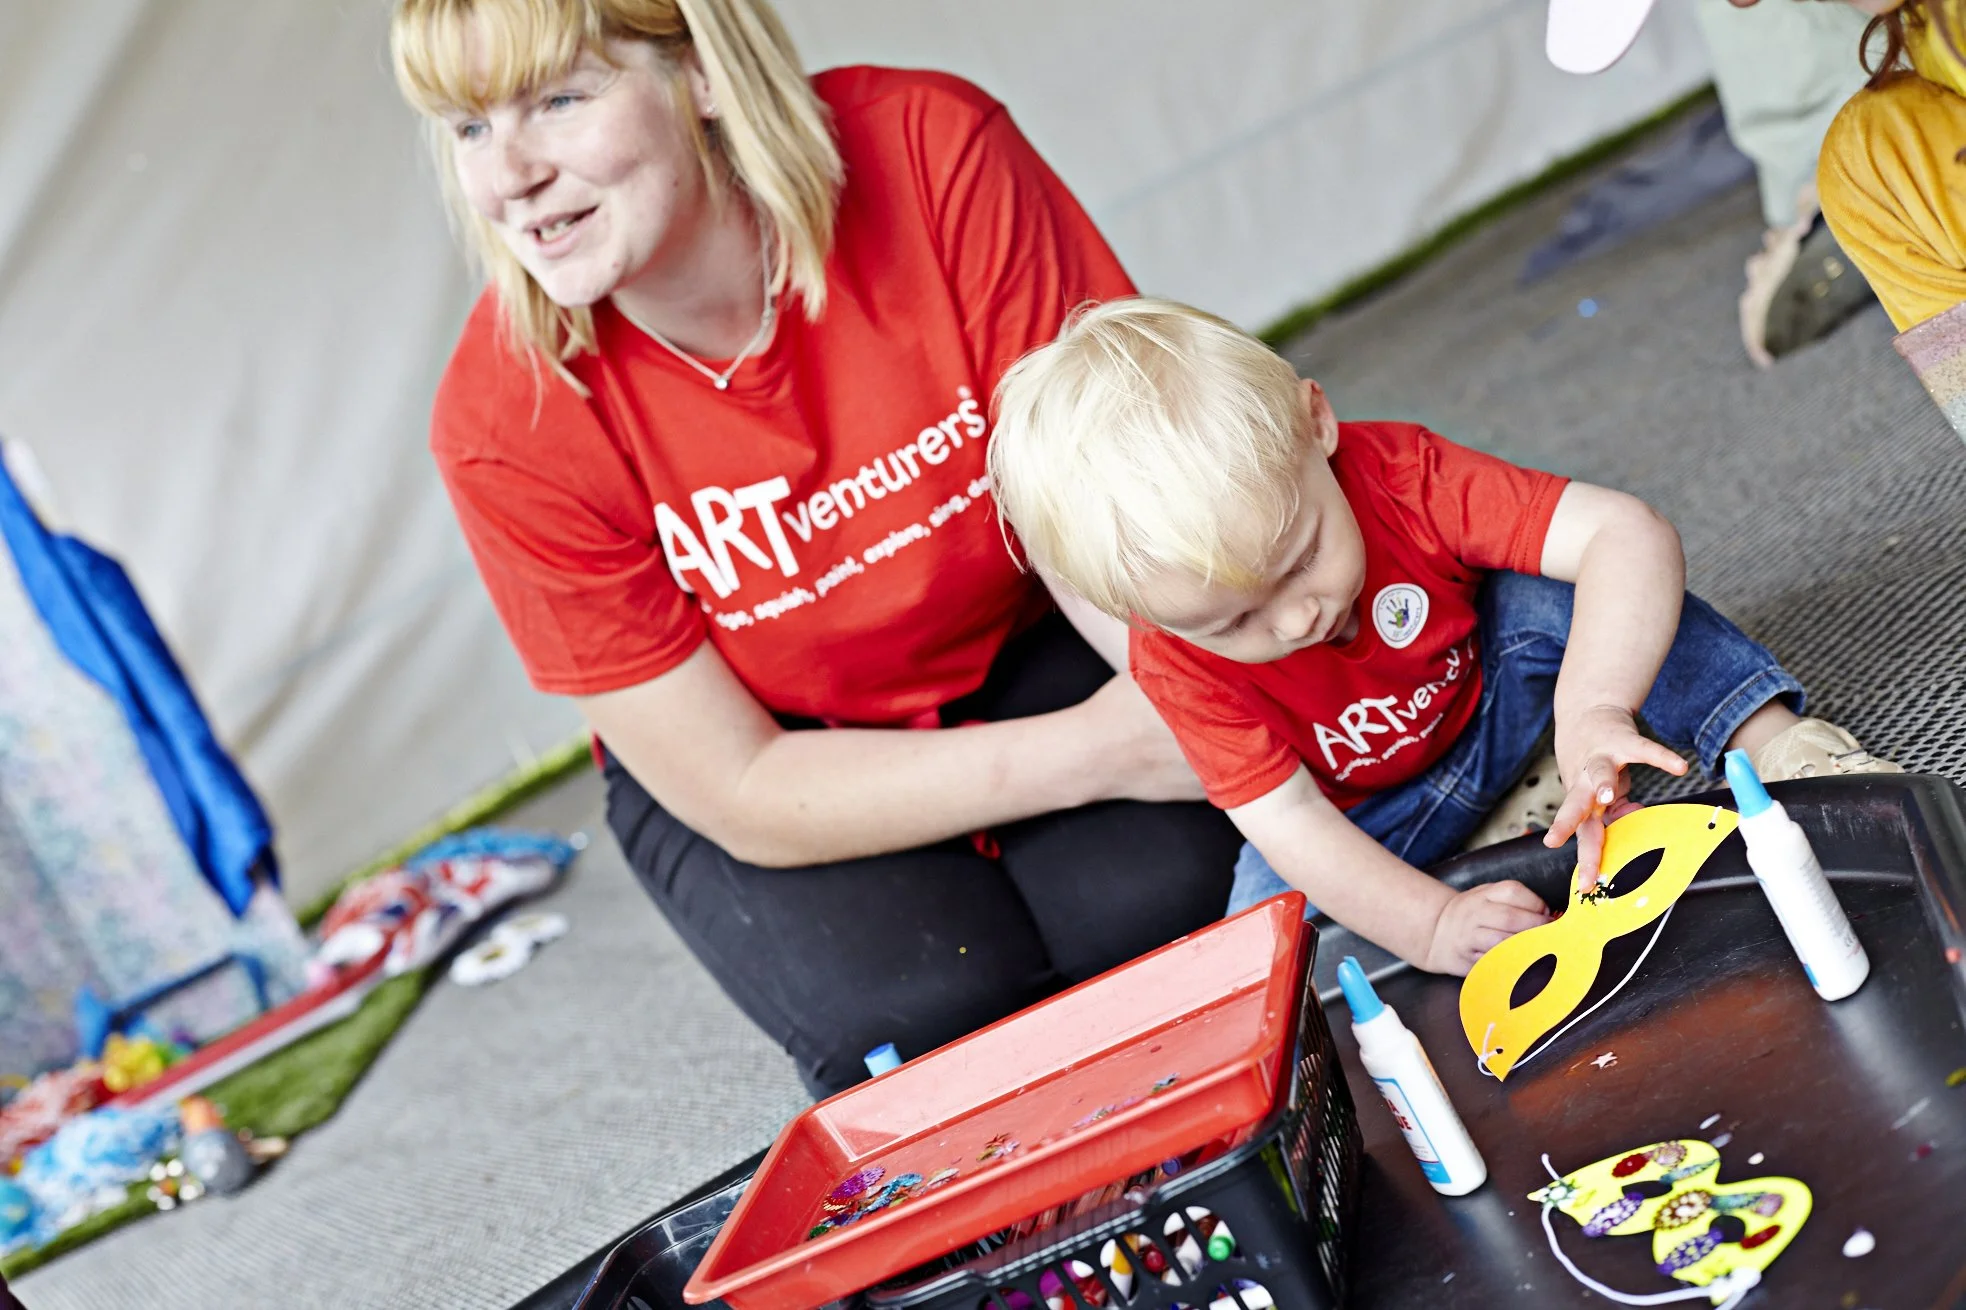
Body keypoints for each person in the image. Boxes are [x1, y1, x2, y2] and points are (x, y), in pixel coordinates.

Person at [387, 0, 1242, 1097]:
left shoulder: (931, 152)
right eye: (468, 129)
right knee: (926, 1023)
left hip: (1021, 627)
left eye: (558, 101)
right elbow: (736, 780)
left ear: (699, 72)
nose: (508, 177)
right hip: (772, 742)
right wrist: (1102, 752)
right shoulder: (502, 420)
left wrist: (1195, 718)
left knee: (1178, 911)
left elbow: (1106, 506)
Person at [987, 299, 1900, 972]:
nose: (1296, 618)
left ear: (1317, 424)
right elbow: (1294, 822)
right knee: (1261, 953)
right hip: (1371, 821)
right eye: (1234, 622)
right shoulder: (1170, 655)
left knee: (1555, 592)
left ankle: (1773, 743)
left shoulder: (1400, 474)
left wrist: (1593, 709)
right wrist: (1427, 925)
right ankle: (1495, 830)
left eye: (1303, 557)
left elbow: (1627, 533)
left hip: (1493, 697)